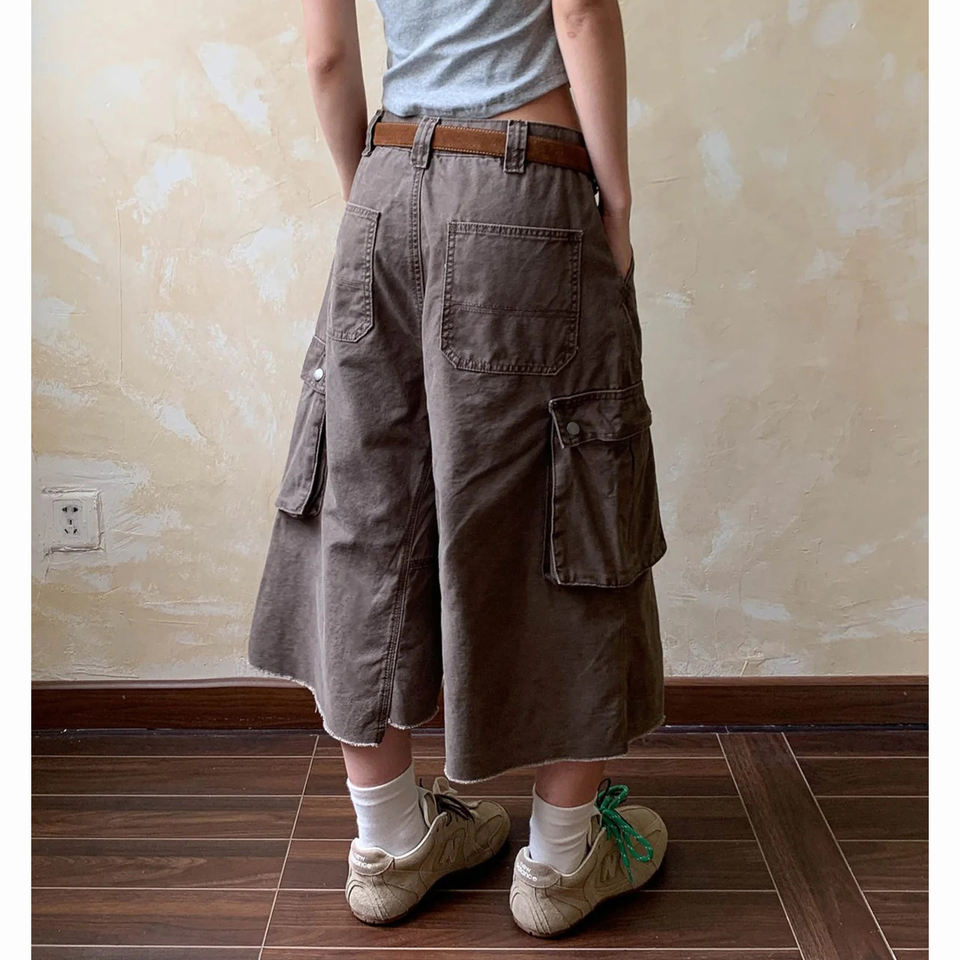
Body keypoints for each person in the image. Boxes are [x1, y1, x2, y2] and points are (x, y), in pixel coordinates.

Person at [248, 0, 670, 937]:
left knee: (368, 502)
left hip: (387, 176)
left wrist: (371, 192)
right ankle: (561, 860)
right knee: (566, 492)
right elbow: (579, 12)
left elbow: (326, 57)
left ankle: (391, 841)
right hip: (527, 183)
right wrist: (618, 200)